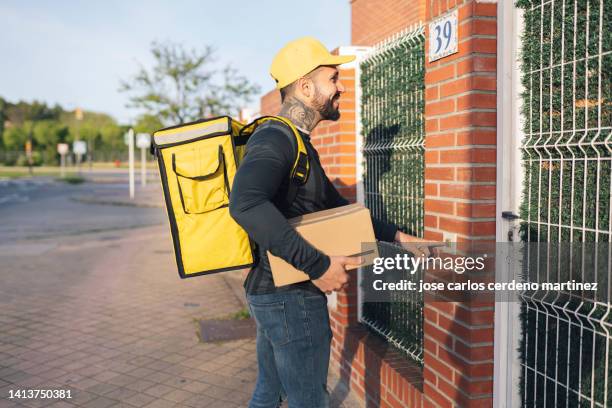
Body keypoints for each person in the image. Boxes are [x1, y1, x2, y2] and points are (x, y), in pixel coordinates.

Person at [229, 36, 426, 408]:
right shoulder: (276, 138)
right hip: (290, 298)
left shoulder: (299, 142)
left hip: (273, 294)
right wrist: (318, 265)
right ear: (305, 87)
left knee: (268, 394)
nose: (341, 87)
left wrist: (401, 238)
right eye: (333, 78)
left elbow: (339, 208)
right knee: (308, 401)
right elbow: (245, 204)